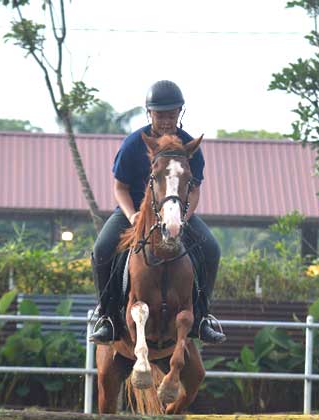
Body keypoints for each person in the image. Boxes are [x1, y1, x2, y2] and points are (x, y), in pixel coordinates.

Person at [89, 79, 226, 345]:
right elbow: (120, 187)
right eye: (160, 114)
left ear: (180, 113)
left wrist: (183, 218)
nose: (166, 120)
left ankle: (203, 317)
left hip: (174, 212)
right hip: (134, 211)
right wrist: (132, 216)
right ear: (149, 113)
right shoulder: (132, 145)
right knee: (101, 249)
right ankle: (105, 316)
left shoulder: (189, 148)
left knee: (212, 249)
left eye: (171, 114)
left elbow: (194, 190)